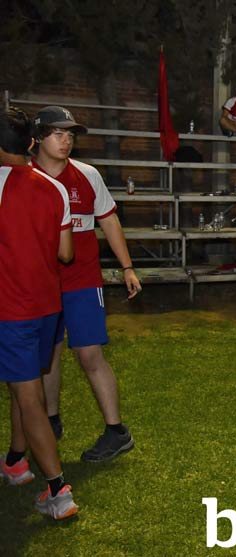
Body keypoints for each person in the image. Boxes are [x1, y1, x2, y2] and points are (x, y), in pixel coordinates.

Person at [32, 106, 139, 462]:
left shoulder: (87, 174)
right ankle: (50, 421)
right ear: (38, 137)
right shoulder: (23, 177)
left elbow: (109, 220)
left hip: (82, 279)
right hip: (41, 282)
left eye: (70, 135)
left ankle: (116, 431)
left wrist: (127, 266)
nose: (66, 141)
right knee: (47, 356)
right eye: (58, 134)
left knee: (90, 354)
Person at [0, 107, 78, 519]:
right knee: (24, 384)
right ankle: (16, 461)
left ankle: (58, 490)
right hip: (48, 306)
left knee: (29, 397)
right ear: (32, 142)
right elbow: (65, 253)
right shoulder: (55, 188)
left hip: (12, 308)